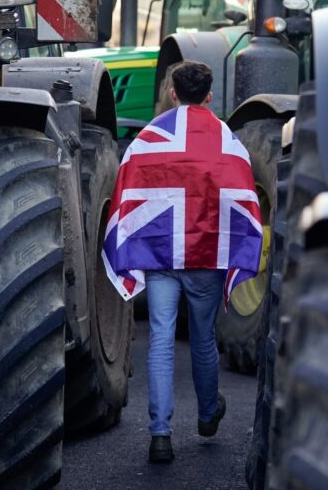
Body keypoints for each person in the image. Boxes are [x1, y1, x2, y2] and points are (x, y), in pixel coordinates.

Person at [102, 61, 263, 463]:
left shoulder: (147, 139)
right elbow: (243, 199)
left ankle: (160, 435)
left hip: (159, 254)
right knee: (204, 338)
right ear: (209, 95)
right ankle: (208, 415)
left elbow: (127, 193)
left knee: (159, 338)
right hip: (205, 255)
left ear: (173, 92)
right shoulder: (229, 142)